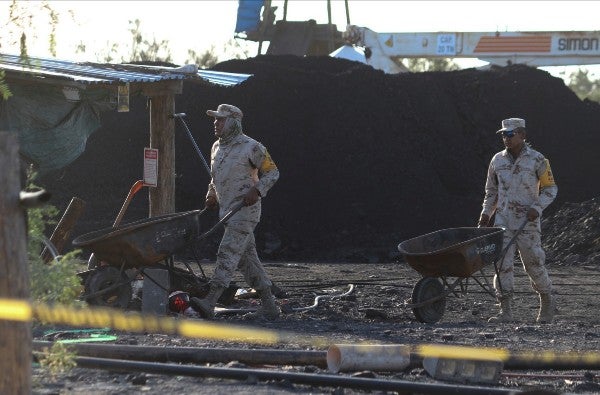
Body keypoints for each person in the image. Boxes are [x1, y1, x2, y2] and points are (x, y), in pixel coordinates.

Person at [190, 104, 281, 320]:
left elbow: (273, 172)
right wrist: (211, 194)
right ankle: (269, 305)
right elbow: (216, 176)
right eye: (215, 120)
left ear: (233, 122)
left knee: (228, 252)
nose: (216, 123)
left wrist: (257, 190)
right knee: (247, 260)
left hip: (245, 211)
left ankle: (210, 301)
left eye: (220, 120)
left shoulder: (252, 147)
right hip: (227, 212)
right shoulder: (216, 147)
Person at [478, 118, 558, 324]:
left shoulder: (538, 160)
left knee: (533, 263)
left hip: (527, 222)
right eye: (504, 134)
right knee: (502, 264)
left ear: (522, 135)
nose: (506, 138)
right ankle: (505, 311)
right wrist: (486, 213)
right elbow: (491, 191)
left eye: (510, 134)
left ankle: (547, 301)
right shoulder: (497, 160)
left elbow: (550, 189)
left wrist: (537, 208)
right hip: (503, 221)